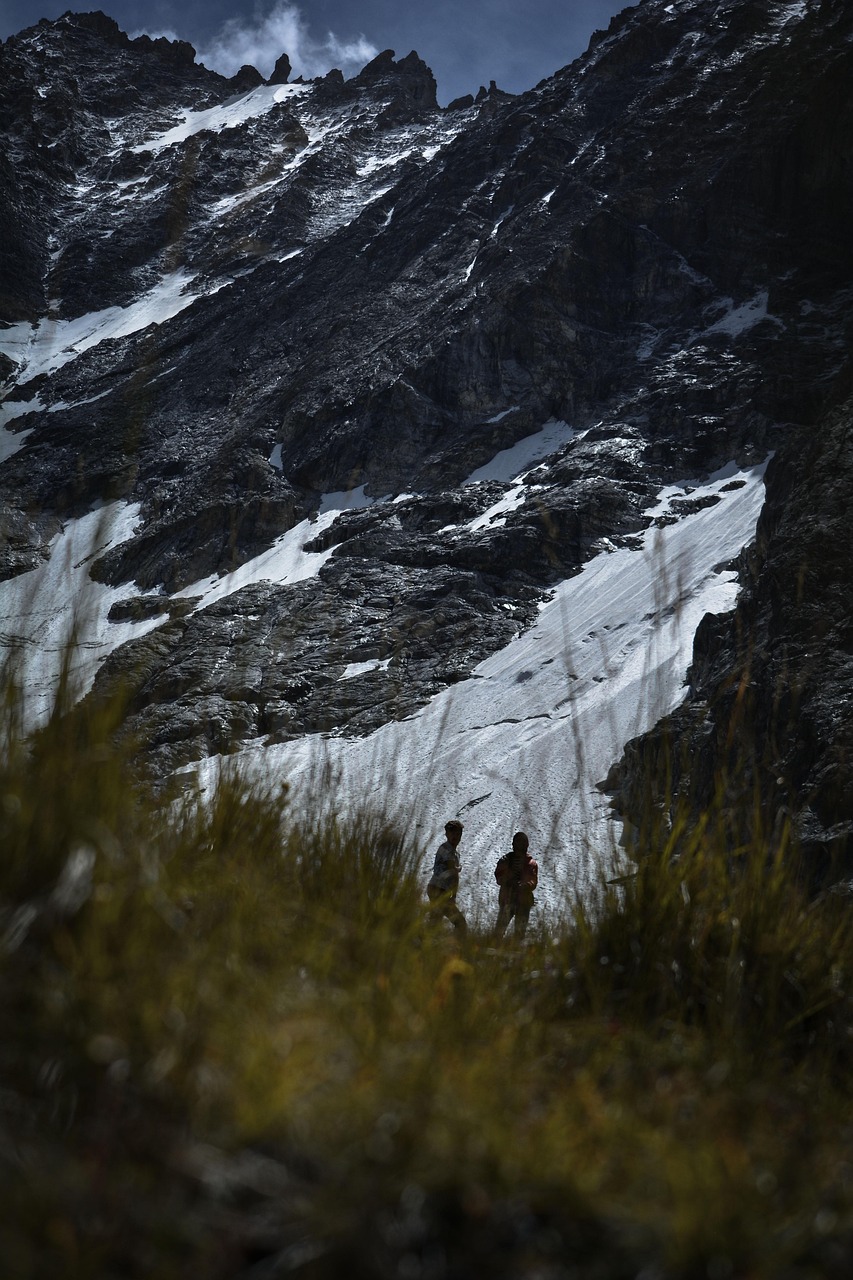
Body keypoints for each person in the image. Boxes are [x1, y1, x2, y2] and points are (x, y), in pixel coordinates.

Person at [426, 819, 467, 939]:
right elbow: (442, 871)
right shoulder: (444, 849)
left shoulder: (455, 854)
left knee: (435, 922)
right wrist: (452, 869)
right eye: (453, 833)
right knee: (459, 922)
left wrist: (453, 895)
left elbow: (454, 877)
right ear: (447, 834)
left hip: (443, 892)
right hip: (437, 889)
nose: (456, 836)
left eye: (458, 834)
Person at [494, 831, 538, 939]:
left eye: (522, 844)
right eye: (517, 843)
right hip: (507, 899)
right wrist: (507, 880)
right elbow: (498, 876)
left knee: (519, 934)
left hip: (523, 901)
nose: (519, 847)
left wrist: (525, 885)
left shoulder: (530, 863)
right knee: (499, 932)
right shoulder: (506, 860)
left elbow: (533, 881)